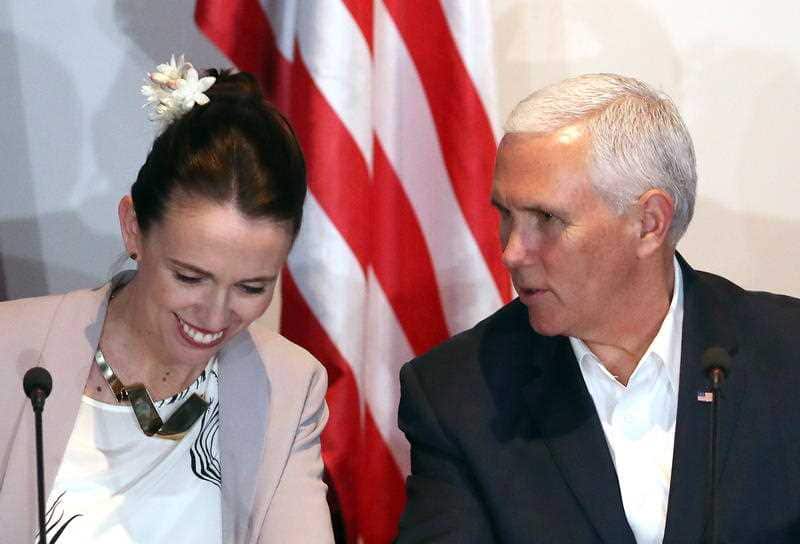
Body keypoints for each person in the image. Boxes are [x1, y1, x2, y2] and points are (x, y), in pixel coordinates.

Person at [396, 73, 800, 543]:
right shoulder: (459, 393)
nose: (511, 253)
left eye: (546, 219)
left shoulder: (787, 357)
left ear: (649, 223)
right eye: (506, 215)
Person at [0, 56, 334, 543]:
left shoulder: (287, 384)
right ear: (134, 227)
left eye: (252, 287)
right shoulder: (11, 349)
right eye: (190, 276)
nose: (216, 315)